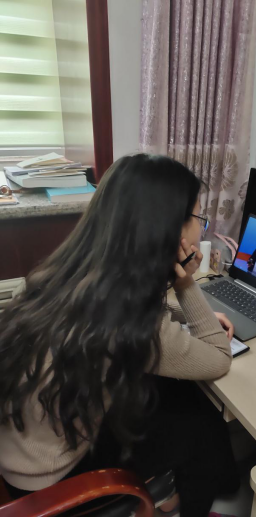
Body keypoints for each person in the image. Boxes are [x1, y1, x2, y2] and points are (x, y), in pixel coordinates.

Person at [0, 154, 240, 517]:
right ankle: (204, 499)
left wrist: (173, 298)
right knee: (201, 426)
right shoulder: (130, 323)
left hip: (21, 449)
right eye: (198, 218)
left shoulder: (59, 273)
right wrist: (186, 285)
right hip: (50, 478)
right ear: (170, 230)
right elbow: (219, 358)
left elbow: (136, 307)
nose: (200, 230)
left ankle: (179, 489)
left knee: (176, 393)